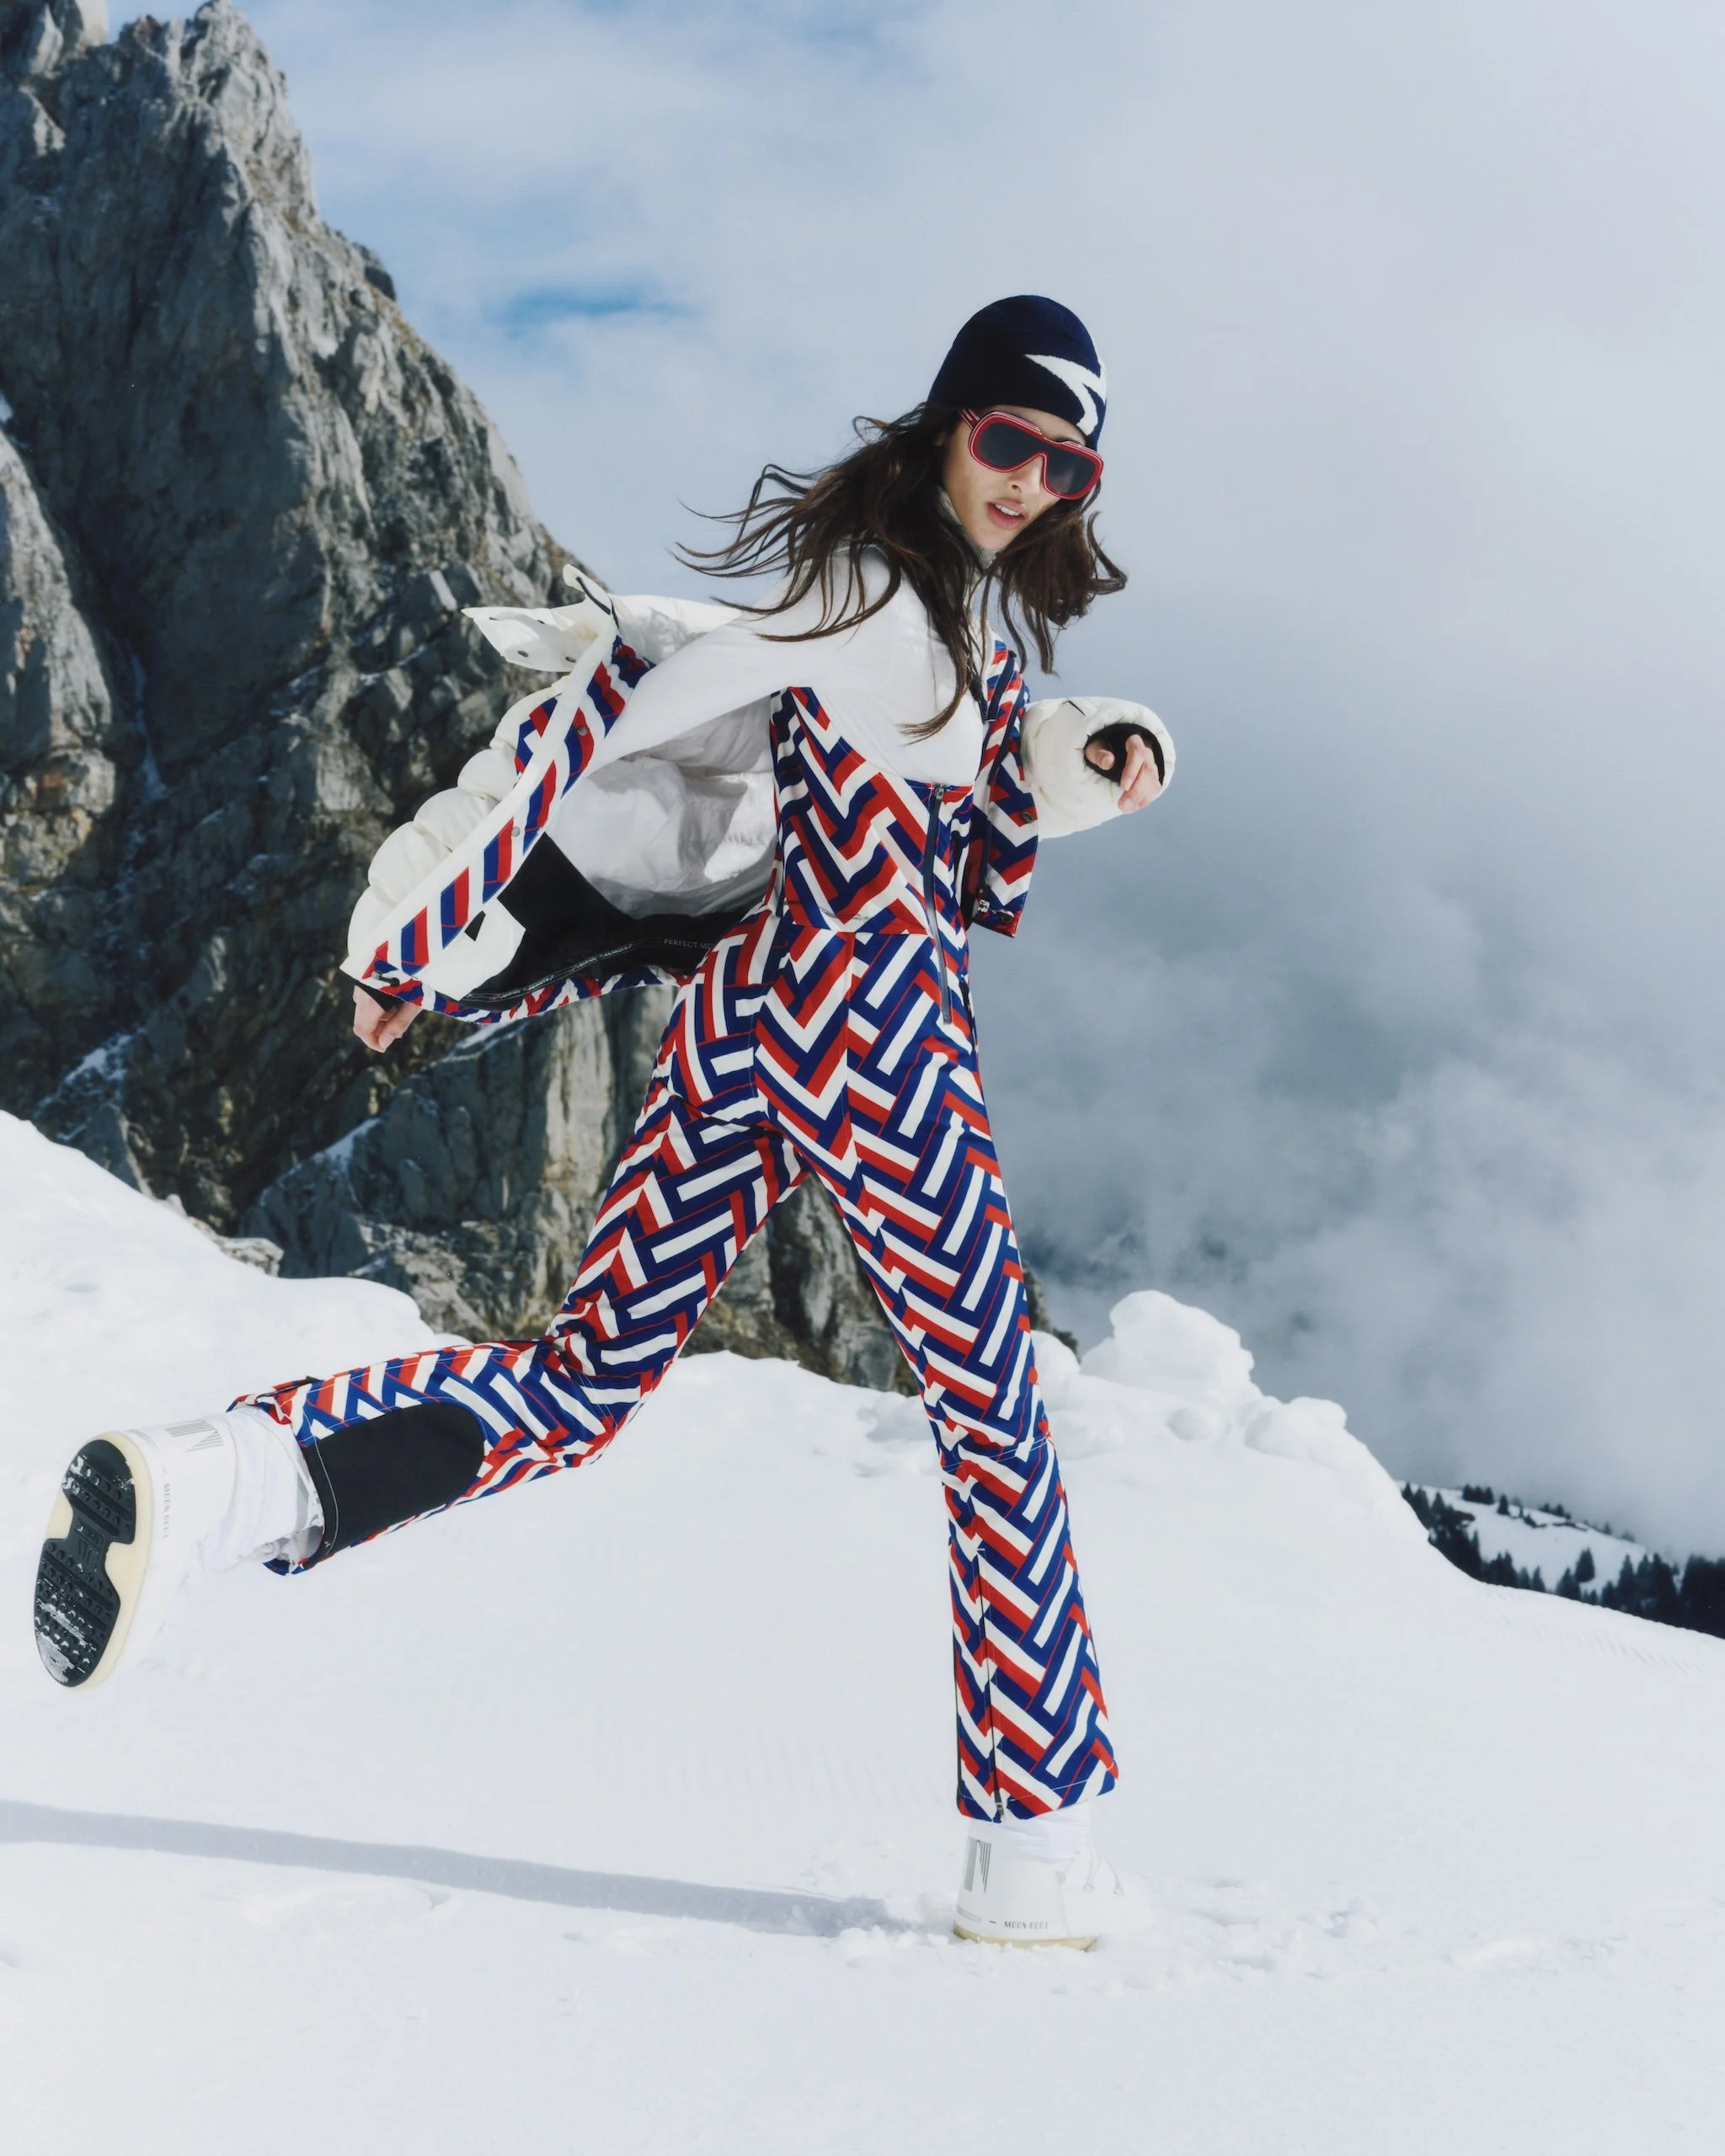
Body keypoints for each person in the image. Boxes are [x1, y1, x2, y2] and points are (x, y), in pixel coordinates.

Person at [34, 296, 1175, 1949]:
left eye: (1070, 463)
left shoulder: (930, 604)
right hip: (874, 1045)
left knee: (577, 1387)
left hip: (741, 1030)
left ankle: (223, 1485)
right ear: (946, 425)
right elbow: (639, 707)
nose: (1035, 481)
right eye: (1010, 440)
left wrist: (1089, 752)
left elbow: (950, 746)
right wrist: (424, 937)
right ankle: (1034, 1848)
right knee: (997, 1418)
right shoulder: (878, 601)